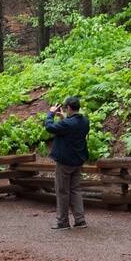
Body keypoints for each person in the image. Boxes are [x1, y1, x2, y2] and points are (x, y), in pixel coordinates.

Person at [44, 95, 89, 230]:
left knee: (62, 191)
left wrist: (51, 113)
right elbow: (71, 127)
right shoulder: (84, 121)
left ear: (69, 108)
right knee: (75, 190)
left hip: (65, 162)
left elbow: (49, 127)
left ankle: (63, 222)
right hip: (77, 161)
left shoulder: (68, 124)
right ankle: (80, 220)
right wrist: (64, 117)